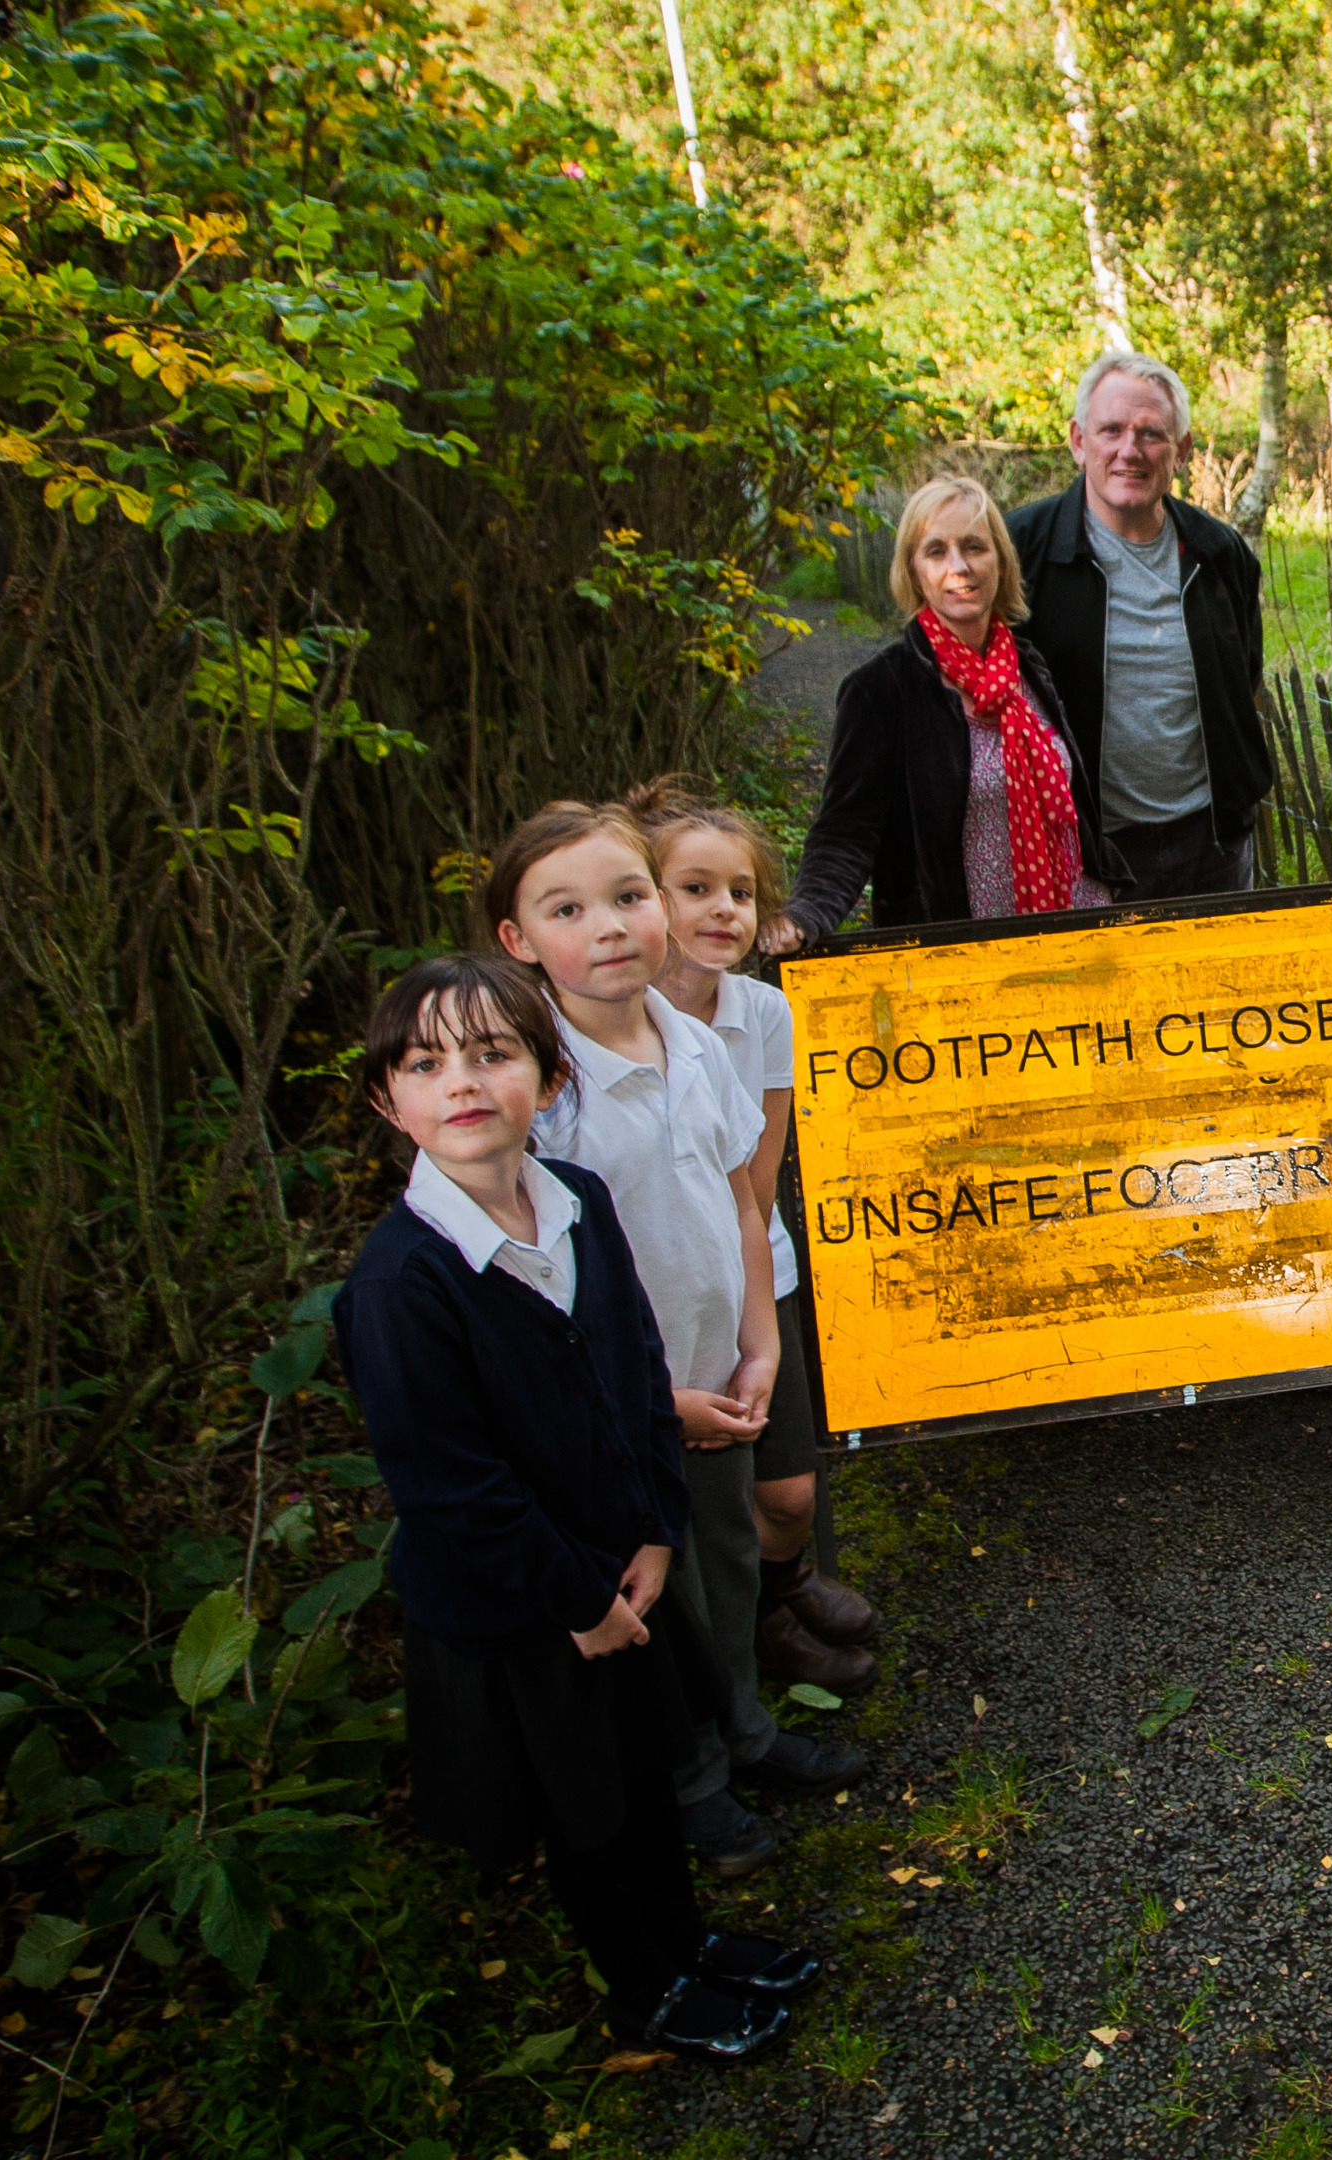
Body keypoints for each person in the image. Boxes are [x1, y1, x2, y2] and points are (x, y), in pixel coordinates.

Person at [337, 954, 820, 2063]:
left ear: (550, 1083)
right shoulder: (402, 1285)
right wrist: (579, 1600)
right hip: (528, 1611)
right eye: (426, 1063)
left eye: (493, 1054)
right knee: (586, 1811)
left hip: (624, 1561)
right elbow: (450, 1487)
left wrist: (655, 1527)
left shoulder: (580, 1204)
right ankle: (644, 1987)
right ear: (389, 1101)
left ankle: (690, 1941)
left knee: (647, 1770)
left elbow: (631, 1369)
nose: (462, 1082)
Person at [486, 802, 864, 1878]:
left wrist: (760, 1347)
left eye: (626, 897)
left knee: (734, 1558)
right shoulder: (538, 1092)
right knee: (665, 1591)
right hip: (620, 1403)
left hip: (721, 1368)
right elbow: (542, 1288)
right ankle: (692, 1775)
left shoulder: (696, 1041)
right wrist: (657, 1402)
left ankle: (746, 1726)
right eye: (569, 909)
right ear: (518, 941)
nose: (608, 928)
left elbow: (744, 1204)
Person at [635, 780, 882, 1696]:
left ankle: (785, 1589)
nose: (723, 910)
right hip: (665, 1294)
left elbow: (758, 1177)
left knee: (787, 1494)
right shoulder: (612, 1027)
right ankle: (748, 1641)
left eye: (739, 892)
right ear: (648, 897)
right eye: (694, 888)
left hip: (756, 1280)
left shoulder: (763, 1012)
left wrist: (761, 1319)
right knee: (703, 1509)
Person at [772, 478, 1123, 947]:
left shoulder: (1028, 667)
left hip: (1075, 928)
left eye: (975, 546)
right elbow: (845, 830)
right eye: (936, 551)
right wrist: (806, 915)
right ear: (914, 571)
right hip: (961, 950)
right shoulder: (880, 690)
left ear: (1000, 558)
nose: (959, 566)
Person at [1006, 353, 1273, 897]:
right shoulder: (1020, 552)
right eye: (1112, 430)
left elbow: (1241, 680)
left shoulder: (1220, 554)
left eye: (1151, 434)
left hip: (1211, 845)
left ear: (1181, 451)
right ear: (1080, 441)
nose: (1130, 450)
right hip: (1081, 847)